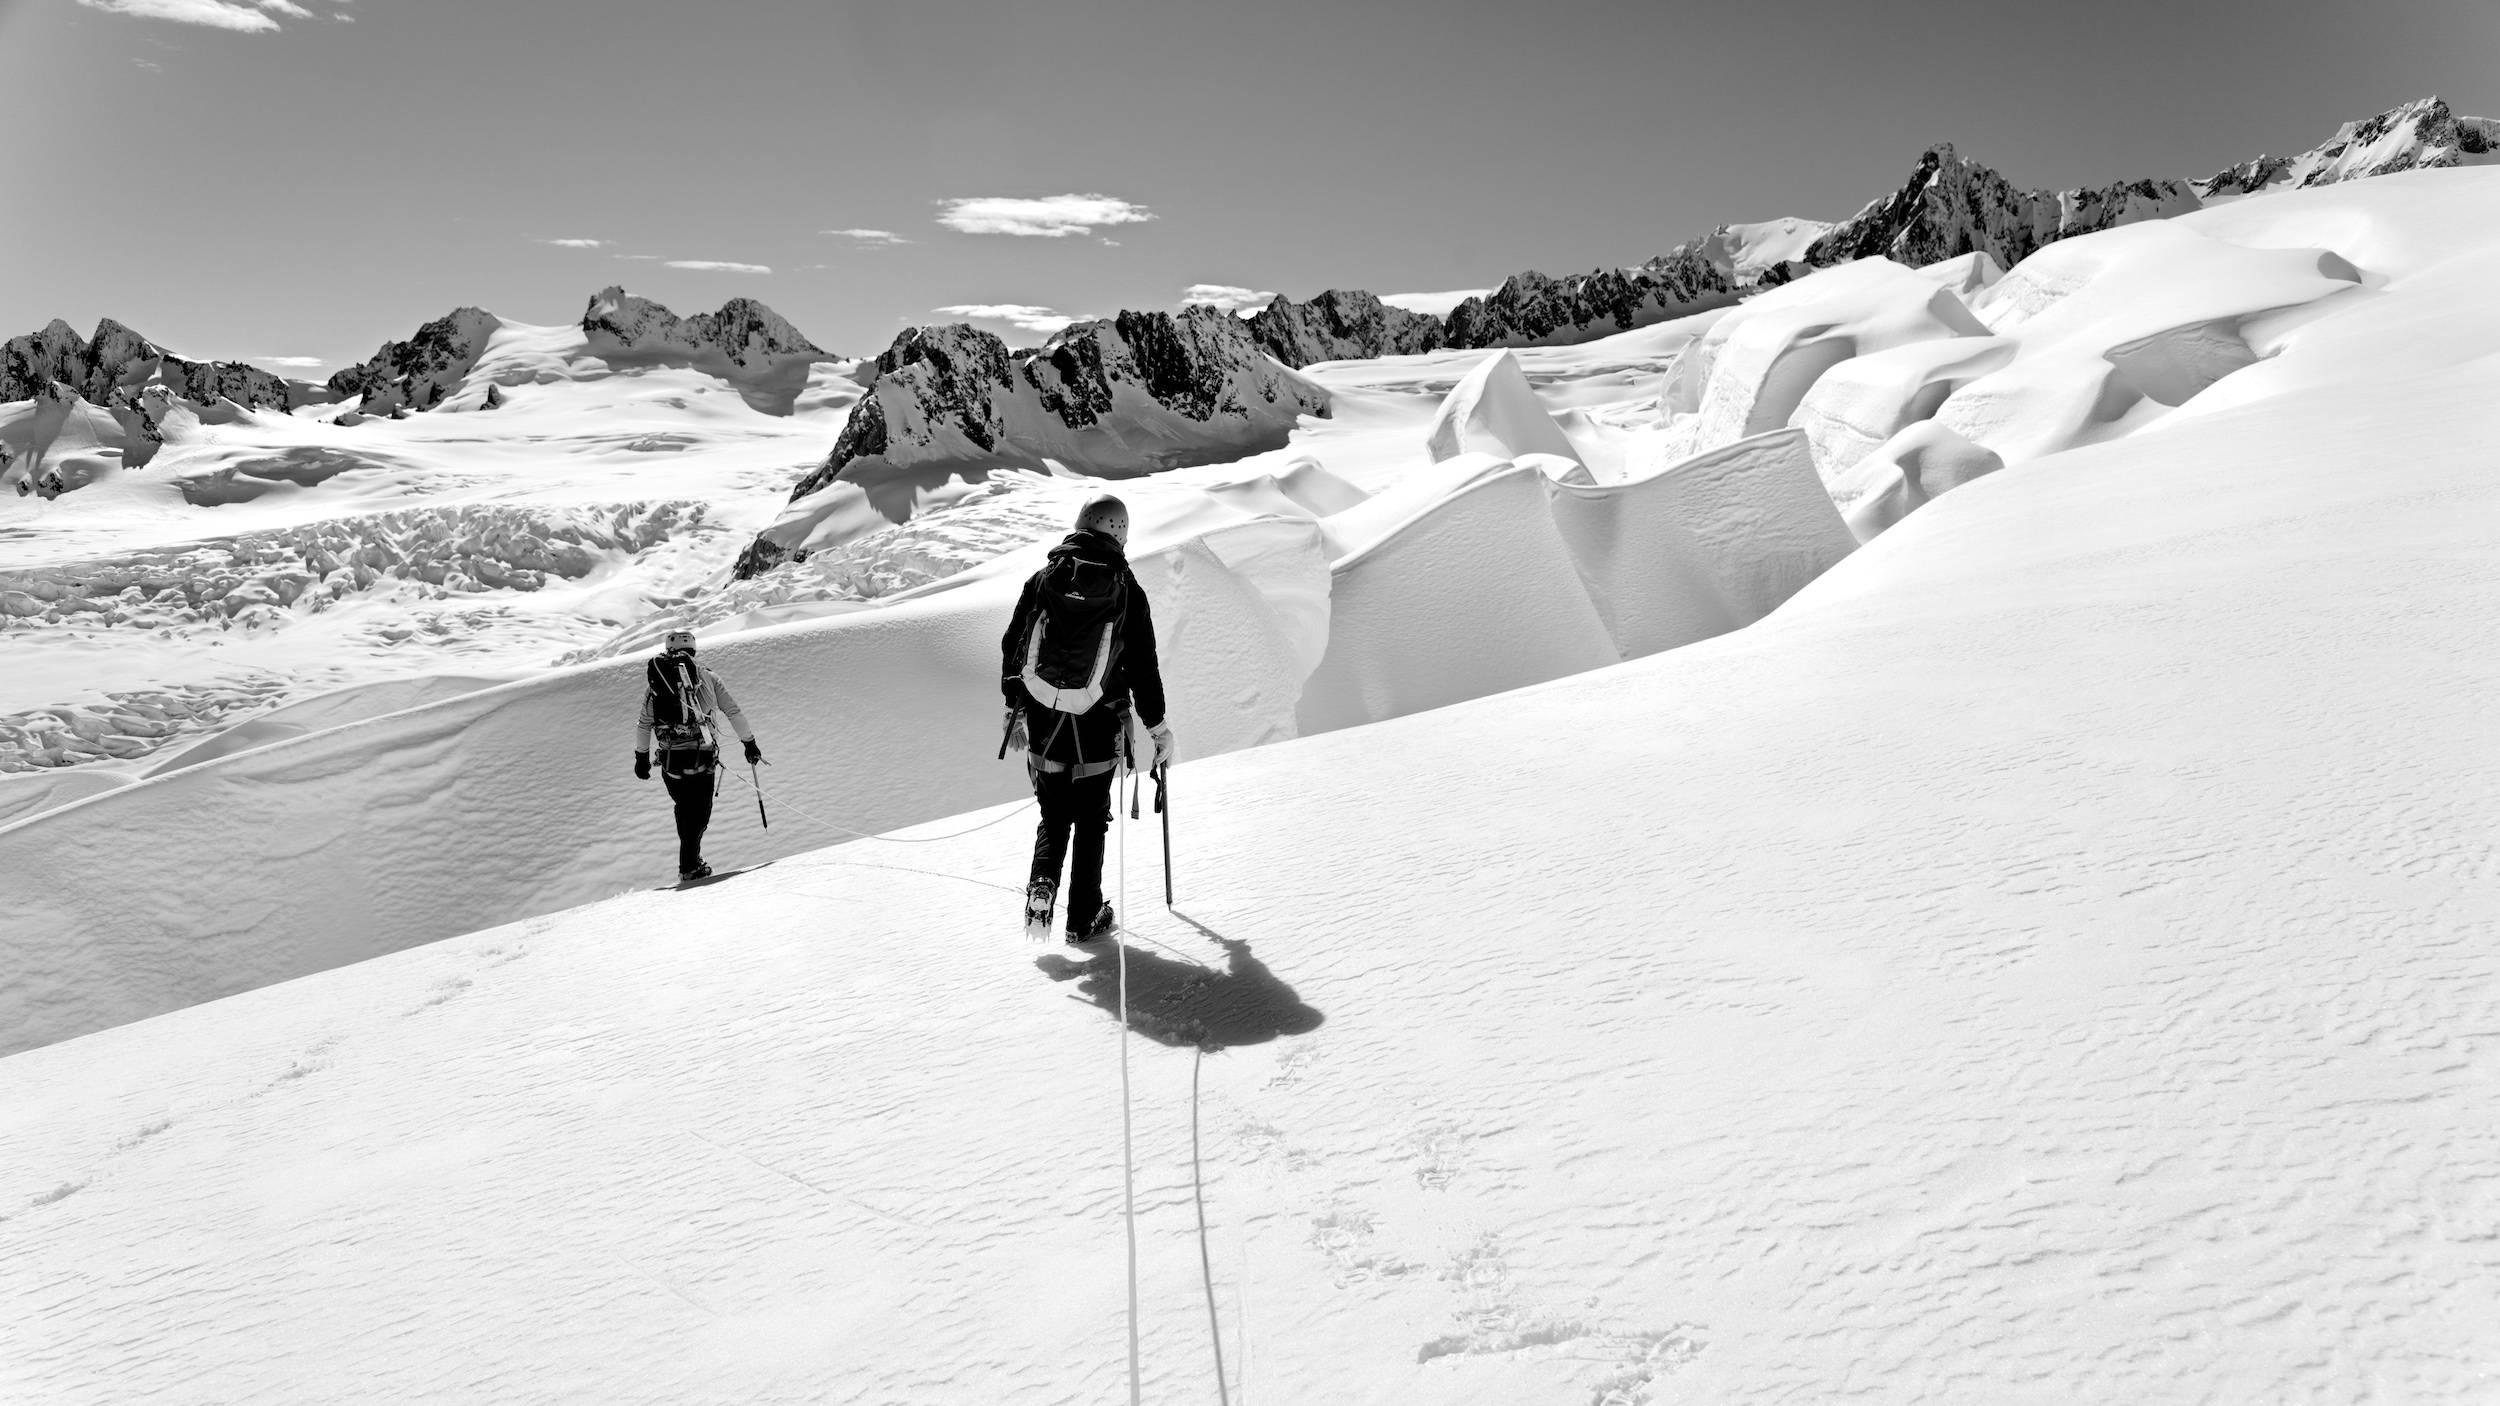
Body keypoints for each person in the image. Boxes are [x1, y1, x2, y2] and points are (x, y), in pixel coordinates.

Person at [1001, 494, 1174, 943]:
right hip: (1099, 722)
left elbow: (1013, 644)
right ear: (1120, 534)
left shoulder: (1044, 579)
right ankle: (1083, 918)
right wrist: (1157, 728)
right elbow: (1143, 667)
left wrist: (1012, 707)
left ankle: (1042, 887)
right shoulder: (1127, 590)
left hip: (1043, 717)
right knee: (1092, 818)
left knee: (1053, 815)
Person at [633, 628, 763, 882]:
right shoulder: (709, 678)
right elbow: (733, 712)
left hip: (671, 760)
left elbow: (643, 724)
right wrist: (749, 743)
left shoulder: (656, 686)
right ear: (694, 649)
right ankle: (690, 866)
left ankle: (690, 862)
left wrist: (641, 758)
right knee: (700, 812)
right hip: (702, 757)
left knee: (685, 808)